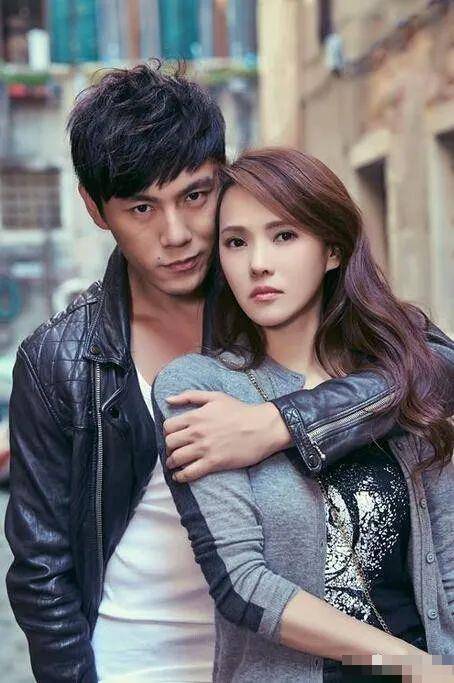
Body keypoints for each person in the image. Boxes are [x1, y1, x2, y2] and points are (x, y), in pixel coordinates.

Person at [5, 63, 453, 683]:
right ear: (95, 208)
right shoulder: (60, 361)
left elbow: (434, 367)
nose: (177, 234)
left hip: (276, 661)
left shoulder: (276, 296)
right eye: (141, 207)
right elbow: (42, 570)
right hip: (137, 663)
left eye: (195, 196)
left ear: (222, 177)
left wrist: (281, 423)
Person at [153, 148, 454, 682]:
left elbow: (447, 557)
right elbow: (243, 584)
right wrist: (417, 669)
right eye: (236, 242)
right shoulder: (199, 387)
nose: (258, 263)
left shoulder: (398, 375)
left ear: (332, 250)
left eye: (284, 235)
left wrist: (278, 424)